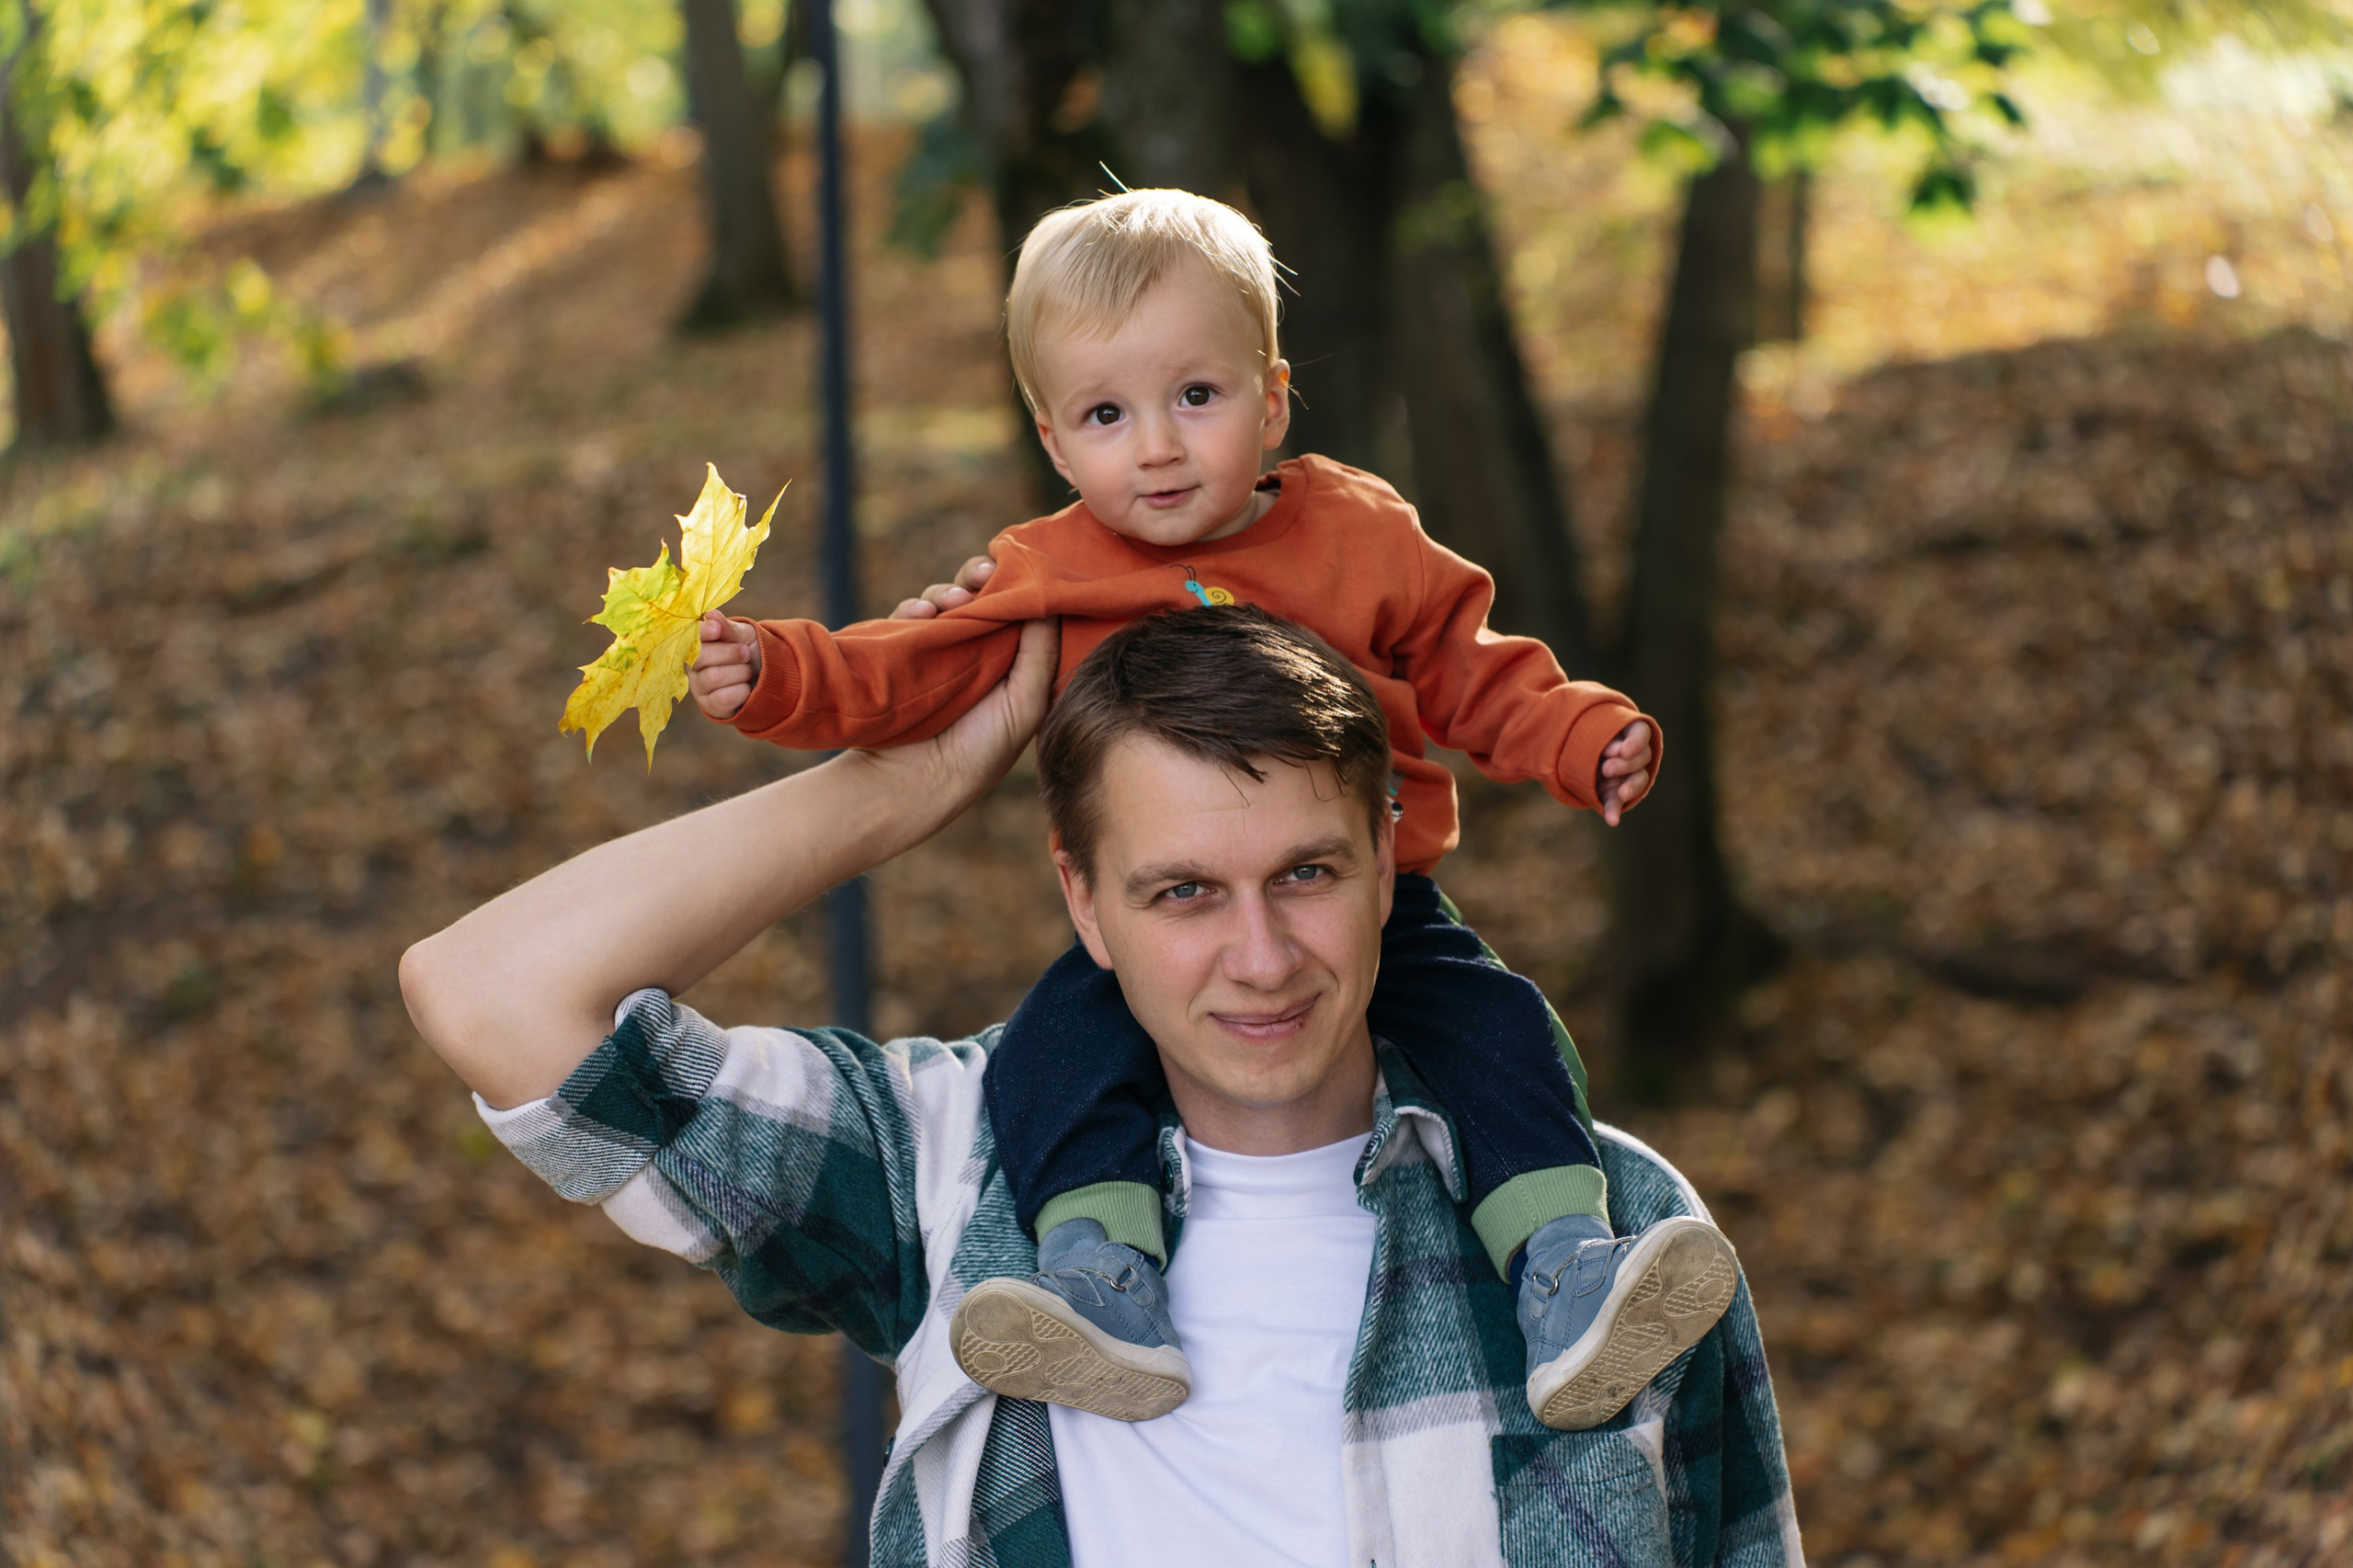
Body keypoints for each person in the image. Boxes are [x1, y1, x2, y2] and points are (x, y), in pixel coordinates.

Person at [402, 606, 1802, 1566]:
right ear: (1082, 898)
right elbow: (491, 993)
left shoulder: (1613, 1229)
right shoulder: (956, 1169)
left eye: (1306, 873)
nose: (1262, 957)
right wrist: (900, 787)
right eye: (1182, 891)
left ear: (1390, 859)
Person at [682, 187, 1736, 1431]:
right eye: (1107, 415)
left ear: (1272, 399)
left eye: (1197, 396)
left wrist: (1580, 736)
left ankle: (1563, 1268)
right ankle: (1100, 1279)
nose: (1159, 448)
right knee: (1058, 1052)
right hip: (1161, 921)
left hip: (1373, 898)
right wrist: (780, 670)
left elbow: (1471, 664)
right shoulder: (1049, 571)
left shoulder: (1355, 532)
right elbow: (913, 668)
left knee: (1494, 1023)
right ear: (1054, 441)